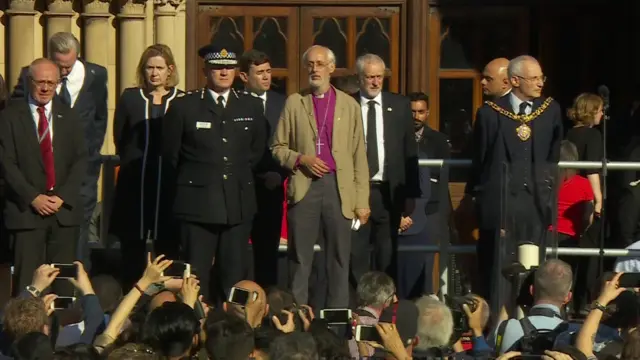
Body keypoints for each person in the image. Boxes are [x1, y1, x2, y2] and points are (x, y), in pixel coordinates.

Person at [162, 43, 268, 303]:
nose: (224, 73)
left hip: (237, 204)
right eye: (218, 68)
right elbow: (171, 154)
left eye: (229, 67)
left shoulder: (250, 107)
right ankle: (196, 323)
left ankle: (230, 328)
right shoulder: (184, 107)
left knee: (233, 274)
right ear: (205, 71)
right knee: (195, 273)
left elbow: (255, 152)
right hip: (197, 203)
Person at [271, 45, 370, 307]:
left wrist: (362, 200)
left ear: (331, 68)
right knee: (300, 258)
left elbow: (359, 154)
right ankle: (298, 318)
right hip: (305, 186)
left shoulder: (349, 105)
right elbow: (277, 147)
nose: (314, 69)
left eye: (319, 63)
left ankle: (336, 324)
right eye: (310, 64)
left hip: (340, 189)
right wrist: (301, 159)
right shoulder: (294, 102)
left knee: (338, 259)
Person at [466, 55, 562, 315]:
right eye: (534, 79)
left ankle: (532, 320)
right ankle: (499, 324)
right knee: (500, 269)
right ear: (516, 80)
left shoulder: (550, 110)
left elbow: (554, 155)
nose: (540, 83)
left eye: (542, 78)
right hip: (501, 205)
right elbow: (481, 160)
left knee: (533, 269)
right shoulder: (489, 113)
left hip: (535, 204)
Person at [11, 32, 108, 270]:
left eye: (69, 65)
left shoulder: (96, 75)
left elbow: (100, 120)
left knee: (77, 240)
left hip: (79, 177)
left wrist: (89, 160)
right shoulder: (32, 75)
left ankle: (76, 294)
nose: (64, 71)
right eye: (59, 65)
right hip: (40, 179)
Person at [0, 58, 87, 294]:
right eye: (40, 82)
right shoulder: (9, 117)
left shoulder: (69, 116)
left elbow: (80, 160)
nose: (46, 88)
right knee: (28, 286)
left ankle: (61, 331)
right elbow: (6, 163)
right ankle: (25, 330)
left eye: (51, 82)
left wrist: (62, 196)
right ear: (30, 82)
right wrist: (33, 197)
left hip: (63, 215)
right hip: (27, 215)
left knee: (63, 287)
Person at [110, 44, 183, 290]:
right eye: (150, 68)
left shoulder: (182, 99)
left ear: (169, 70)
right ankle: (131, 297)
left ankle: (165, 298)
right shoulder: (130, 98)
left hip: (168, 185)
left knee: (167, 248)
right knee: (133, 246)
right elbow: (120, 137)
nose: (154, 73)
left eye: (159, 68)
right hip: (136, 184)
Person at [349, 53, 420, 286]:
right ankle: (358, 305)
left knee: (386, 252)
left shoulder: (399, 105)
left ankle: (386, 303)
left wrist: (411, 194)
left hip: (388, 191)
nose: (375, 82)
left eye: (379, 77)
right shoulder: (347, 104)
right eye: (370, 77)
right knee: (355, 252)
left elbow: (410, 150)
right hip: (356, 192)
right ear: (359, 78)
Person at [237, 49, 286, 288]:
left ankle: (267, 304)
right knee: (236, 253)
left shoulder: (283, 103)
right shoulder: (234, 102)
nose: (266, 77)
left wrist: (279, 174)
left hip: (271, 188)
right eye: (259, 73)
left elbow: (291, 143)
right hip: (239, 188)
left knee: (267, 254)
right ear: (244, 77)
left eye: (268, 71)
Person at [395, 92, 452, 298]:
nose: (416, 116)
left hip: (431, 209)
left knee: (425, 264)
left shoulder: (438, 140)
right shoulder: (395, 137)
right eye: (412, 112)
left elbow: (444, 175)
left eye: (420, 112)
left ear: (427, 113)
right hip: (401, 210)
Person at [565, 92, 604, 216]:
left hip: (568, 189)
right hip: (586, 192)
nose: (602, 114)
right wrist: (598, 199)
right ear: (591, 112)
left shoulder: (569, 133)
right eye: (600, 110)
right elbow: (591, 169)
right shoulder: (593, 135)